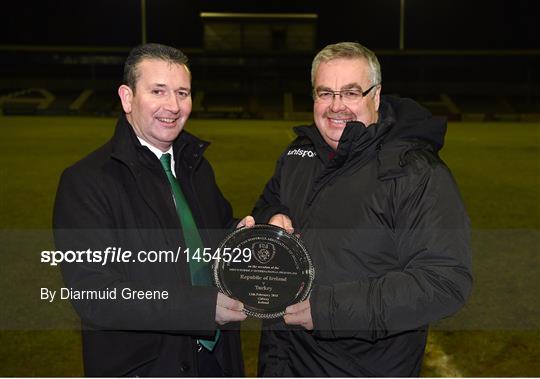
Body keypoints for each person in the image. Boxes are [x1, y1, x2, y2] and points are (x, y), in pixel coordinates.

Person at [253, 42, 473, 376]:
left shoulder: (414, 171)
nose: (336, 106)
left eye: (351, 92)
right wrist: (274, 216)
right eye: (325, 93)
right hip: (284, 363)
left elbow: (444, 280)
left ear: (376, 94)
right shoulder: (298, 155)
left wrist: (327, 310)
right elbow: (268, 203)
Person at [53, 43, 253, 377]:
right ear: (127, 98)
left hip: (217, 360)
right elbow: (95, 295)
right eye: (158, 91)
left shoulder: (196, 166)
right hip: (148, 366)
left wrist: (242, 239)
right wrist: (201, 308)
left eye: (182, 92)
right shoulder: (85, 182)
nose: (173, 106)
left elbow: (209, 238)